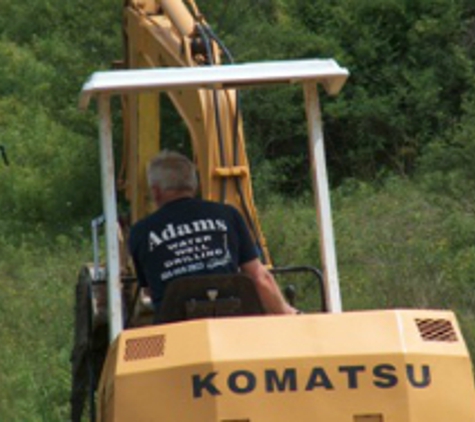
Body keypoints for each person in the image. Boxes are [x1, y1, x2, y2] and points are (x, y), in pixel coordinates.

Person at [128, 150, 297, 319]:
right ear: (193, 185)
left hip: (175, 330)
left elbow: (149, 289)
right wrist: (287, 312)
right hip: (231, 323)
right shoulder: (228, 215)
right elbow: (259, 277)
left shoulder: (140, 232)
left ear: (156, 191)